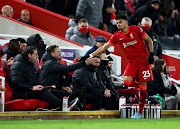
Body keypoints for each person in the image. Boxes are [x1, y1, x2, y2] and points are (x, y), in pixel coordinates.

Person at [88, 14, 154, 119]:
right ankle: (138, 87)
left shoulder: (136, 29)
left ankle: (140, 113)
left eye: (120, 22)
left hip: (143, 62)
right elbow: (104, 47)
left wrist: (151, 53)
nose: (118, 24)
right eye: (117, 23)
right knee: (126, 82)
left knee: (143, 89)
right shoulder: (117, 36)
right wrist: (90, 55)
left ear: (126, 22)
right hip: (132, 62)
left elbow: (149, 40)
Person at [10, 46, 77, 110]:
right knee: (42, 92)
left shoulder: (30, 66)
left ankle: (58, 110)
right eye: (35, 54)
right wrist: (31, 88)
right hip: (21, 93)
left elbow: (33, 81)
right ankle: (64, 105)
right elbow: (15, 82)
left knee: (55, 91)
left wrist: (42, 87)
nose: (38, 56)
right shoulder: (17, 65)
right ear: (29, 55)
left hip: (29, 90)